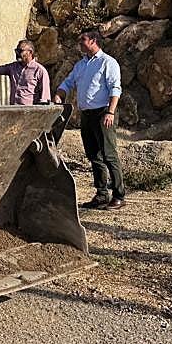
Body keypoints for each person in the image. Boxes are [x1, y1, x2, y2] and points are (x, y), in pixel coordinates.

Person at [53, 27, 125, 210]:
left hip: (103, 113)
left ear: (93, 41)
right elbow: (68, 82)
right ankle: (101, 194)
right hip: (87, 115)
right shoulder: (81, 65)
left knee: (109, 155)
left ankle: (119, 195)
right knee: (94, 155)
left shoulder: (108, 62)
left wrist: (110, 112)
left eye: (83, 40)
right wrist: (60, 93)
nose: (80, 43)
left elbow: (115, 88)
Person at [0, 39, 50, 105]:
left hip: (30, 111)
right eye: (16, 50)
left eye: (20, 51)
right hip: (14, 110)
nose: (17, 53)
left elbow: (45, 97)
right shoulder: (13, 67)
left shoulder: (39, 70)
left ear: (30, 52)